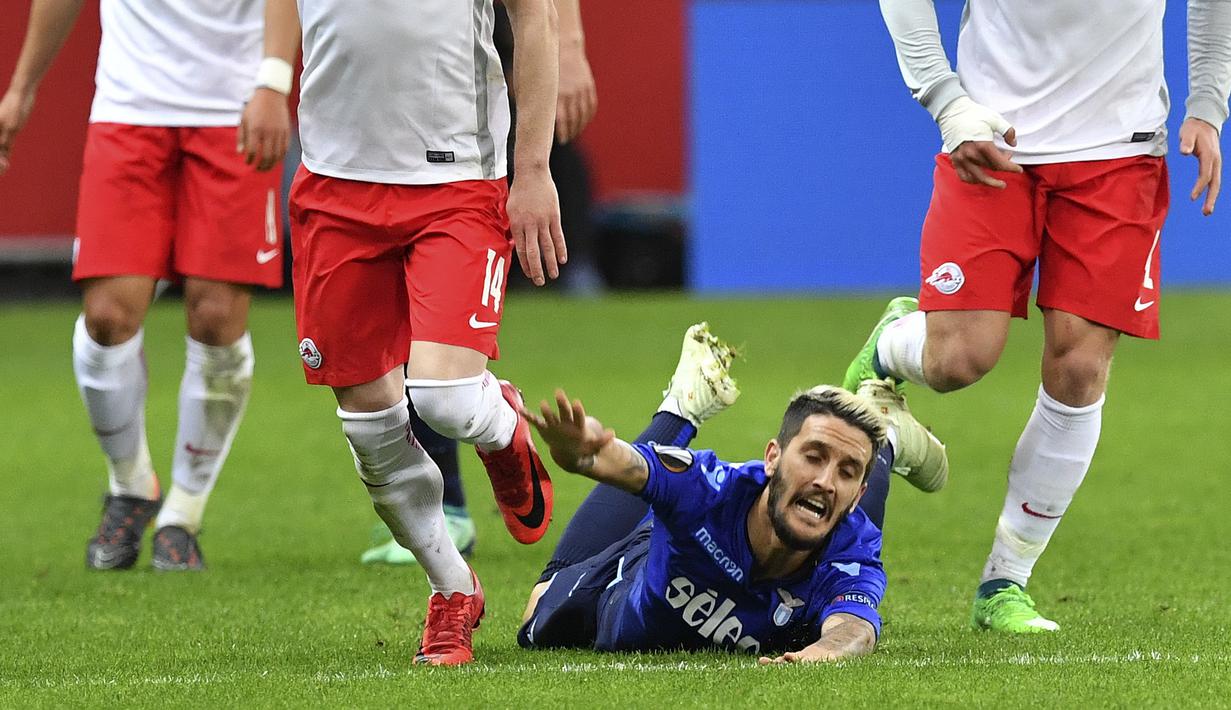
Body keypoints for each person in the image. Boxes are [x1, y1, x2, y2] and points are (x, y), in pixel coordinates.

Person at [849, 0, 1231, 633]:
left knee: (1080, 368)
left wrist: (1209, 101)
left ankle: (1005, 583)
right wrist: (946, 101)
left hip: (1120, 149)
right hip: (994, 135)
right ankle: (891, 344)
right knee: (959, 358)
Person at [262, 0, 564, 665]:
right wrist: (264, 76)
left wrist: (533, 170)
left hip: (456, 181)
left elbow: (535, 21)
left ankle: (500, 425)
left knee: (445, 398)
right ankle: (451, 589)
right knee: (369, 430)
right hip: (333, 188)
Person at [0, 0, 295, 570]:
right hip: (129, 106)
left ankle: (183, 514)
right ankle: (131, 484)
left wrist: (273, 82)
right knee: (108, 316)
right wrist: (22, 87)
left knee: (215, 317)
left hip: (233, 107)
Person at [517, 323, 949, 662]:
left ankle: (885, 436)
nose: (825, 478)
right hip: (647, 561)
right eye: (812, 456)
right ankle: (682, 409)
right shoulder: (707, 490)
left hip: (822, 531)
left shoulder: (851, 549)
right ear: (773, 457)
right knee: (538, 607)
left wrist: (824, 653)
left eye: (845, 470)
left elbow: (855, 627)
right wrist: (585, 455)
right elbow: (628, 464)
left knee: (835, 503)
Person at [360, 0, 599, 566]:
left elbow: (537, 14)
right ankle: (447, 503)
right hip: (391, 98)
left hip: (484, 67)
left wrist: (571, 46)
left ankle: (579, 274)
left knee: (442, 330)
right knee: (402, 318)